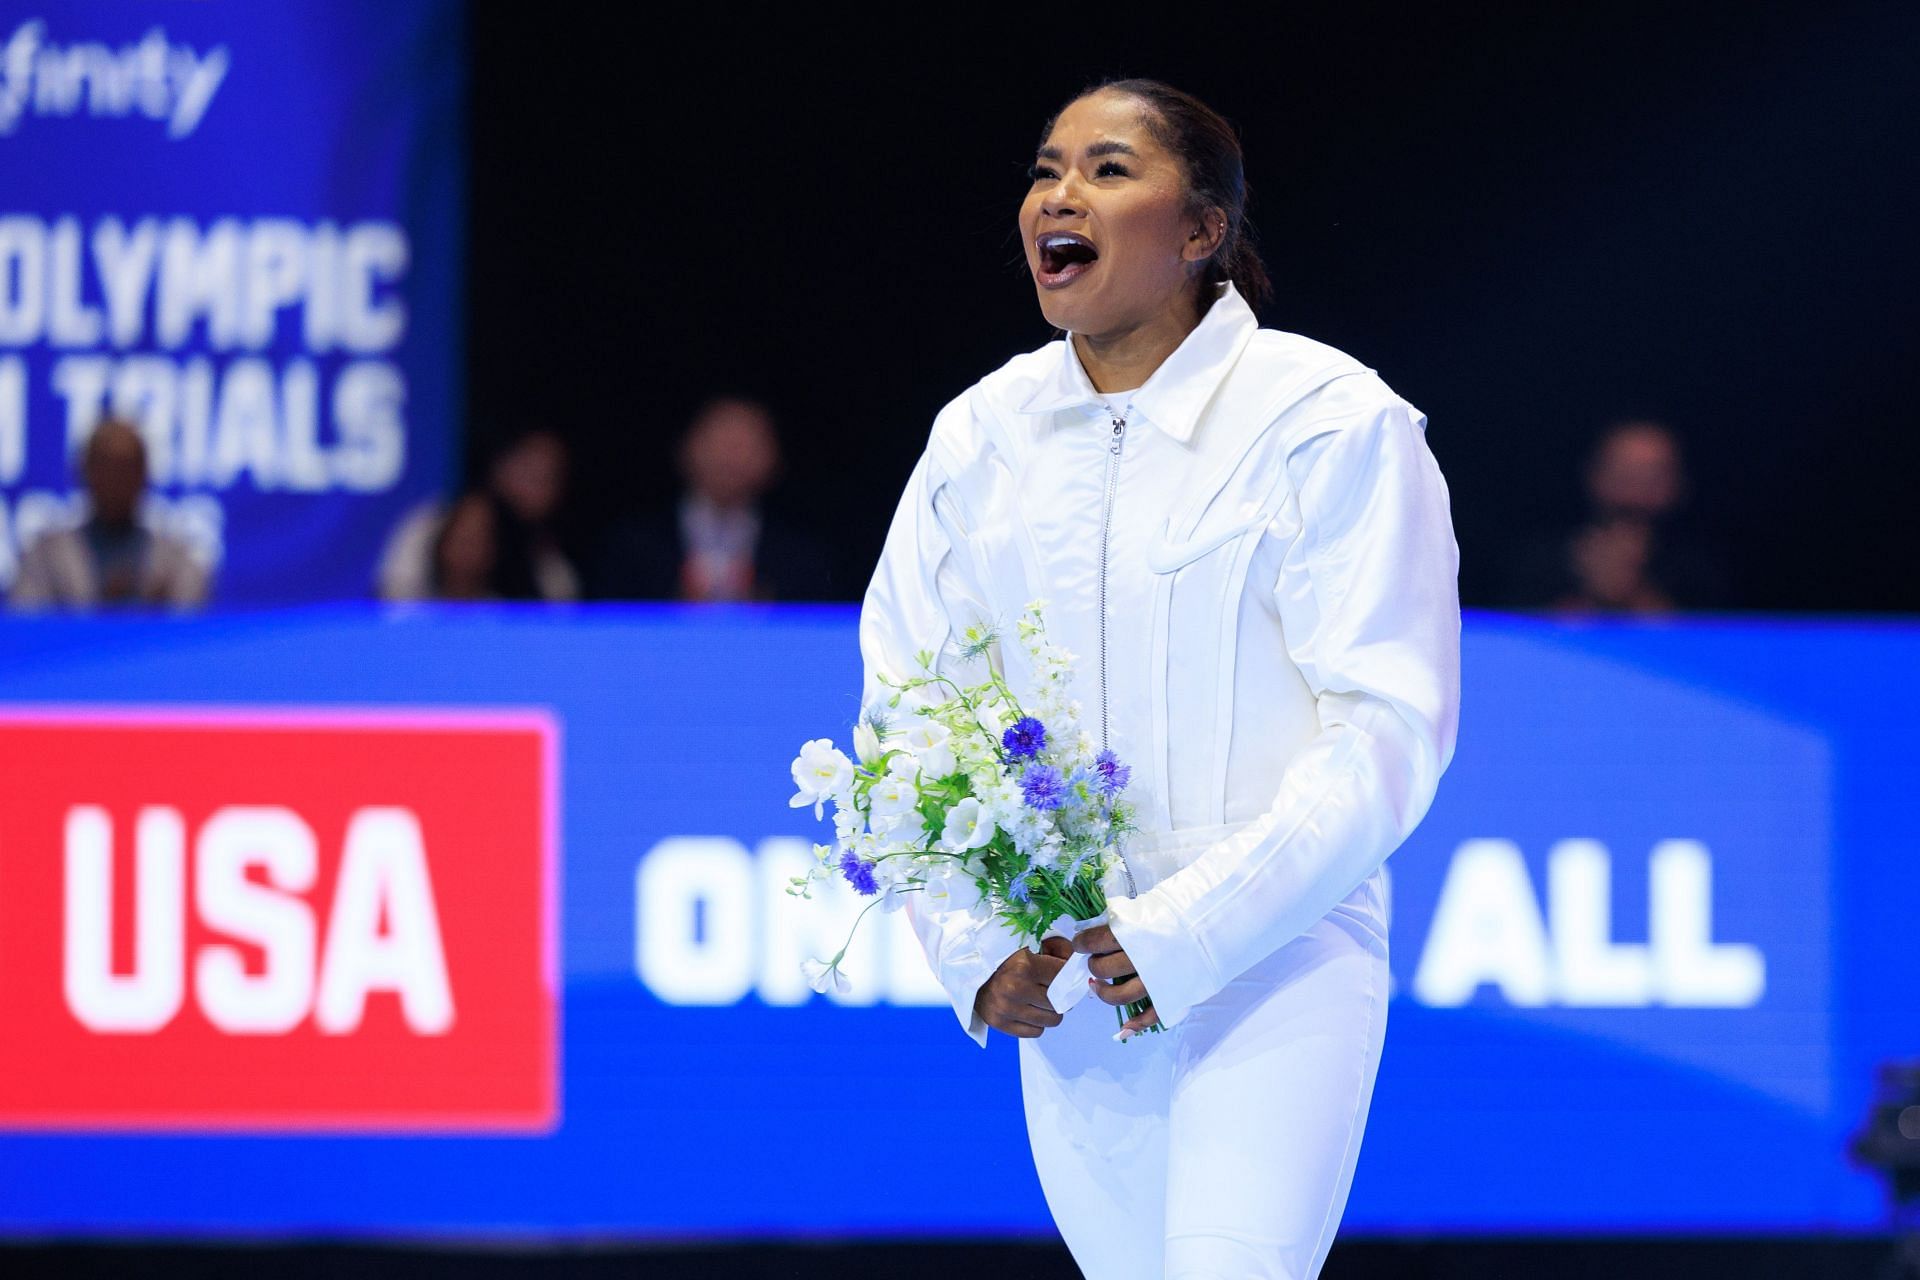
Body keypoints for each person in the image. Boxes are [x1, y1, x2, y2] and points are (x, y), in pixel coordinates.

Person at [857, 80, 1460, 1279]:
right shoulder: (979, 438)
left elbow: (1391, 725)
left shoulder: (1328, 419)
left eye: (1108, 167)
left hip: (1276, 952)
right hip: (1073, 978)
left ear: (1202, 231)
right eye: (1045, 169)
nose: (1058, 195)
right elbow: (905, 711)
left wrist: (1190, 930)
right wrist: (975, 946)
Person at [590, 395, 834, 601]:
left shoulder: (800, 554)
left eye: (745, 445)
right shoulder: (634, 544)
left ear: (773, 457)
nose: (731, 458)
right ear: (687, 446)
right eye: (721, 441)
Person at [1498, 418, 1729, 613]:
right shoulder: (1541, 560)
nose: (1637, 495)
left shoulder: (1703, 567)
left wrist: (1630, 593)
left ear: (1680, 484)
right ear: (1593, 476)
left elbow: (1710, 648)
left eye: (1652, 479)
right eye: (1624, 477)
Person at [9, 416, 210, 611]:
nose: (115, 480)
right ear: (85, 471)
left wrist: (150, 612)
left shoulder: (176, 559)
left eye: (127, 468)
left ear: (144, 474)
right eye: (105, 467)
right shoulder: (45, 557)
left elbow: (190, 627)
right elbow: (27, 628)